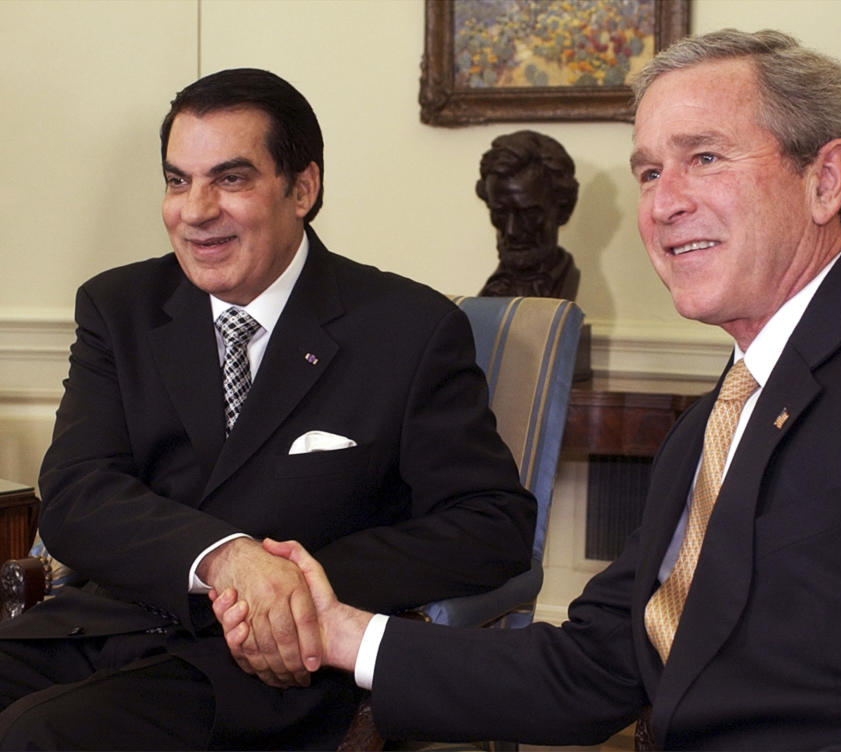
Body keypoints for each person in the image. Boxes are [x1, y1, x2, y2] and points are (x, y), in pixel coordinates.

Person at [214, 30, 841, 750]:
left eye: (703, 156)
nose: (664, 203)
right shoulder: (713, 422)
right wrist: (339, 631)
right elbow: (593, 668)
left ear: (824, 180)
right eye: (647, 173)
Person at [0, 68, 536, 750]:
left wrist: (291, 588)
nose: (194, 210)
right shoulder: (119, 307)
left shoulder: (407, 328)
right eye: (176, 180)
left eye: (230, 179)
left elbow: (493, 523)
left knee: (37, 737)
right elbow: (78, 496)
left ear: (302, 189)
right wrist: (226, 559)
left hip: (267, 670)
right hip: (104, 623)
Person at [476, 130, 580, 300]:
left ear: (563, 210)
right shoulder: (490, 293)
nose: (511, 230)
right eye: (500, 212)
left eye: (529, 214)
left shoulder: (565, 286)